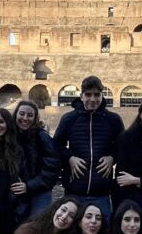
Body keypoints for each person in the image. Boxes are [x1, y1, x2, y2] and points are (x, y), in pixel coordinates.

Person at [53, 75, 124, 219]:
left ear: (102, 95)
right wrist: (70, 158)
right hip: (74, 191)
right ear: (81, 96)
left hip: (102, 191)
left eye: (97, 94)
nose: (93, 99)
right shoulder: (69, 119)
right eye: (88, 94)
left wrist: (112, 157)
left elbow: (122, 146)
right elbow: (56, 145)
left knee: (102, 233)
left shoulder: (113, 120)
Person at [12, 99, 61, 217]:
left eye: (30, 115)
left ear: (35, 118)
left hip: (39, 192)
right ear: (16, 114)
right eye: (22, 114)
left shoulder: (42, 137)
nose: (25, 118)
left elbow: (52, 168)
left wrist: (29, 186)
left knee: (36, 227)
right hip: (15, 190)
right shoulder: (9, 137)